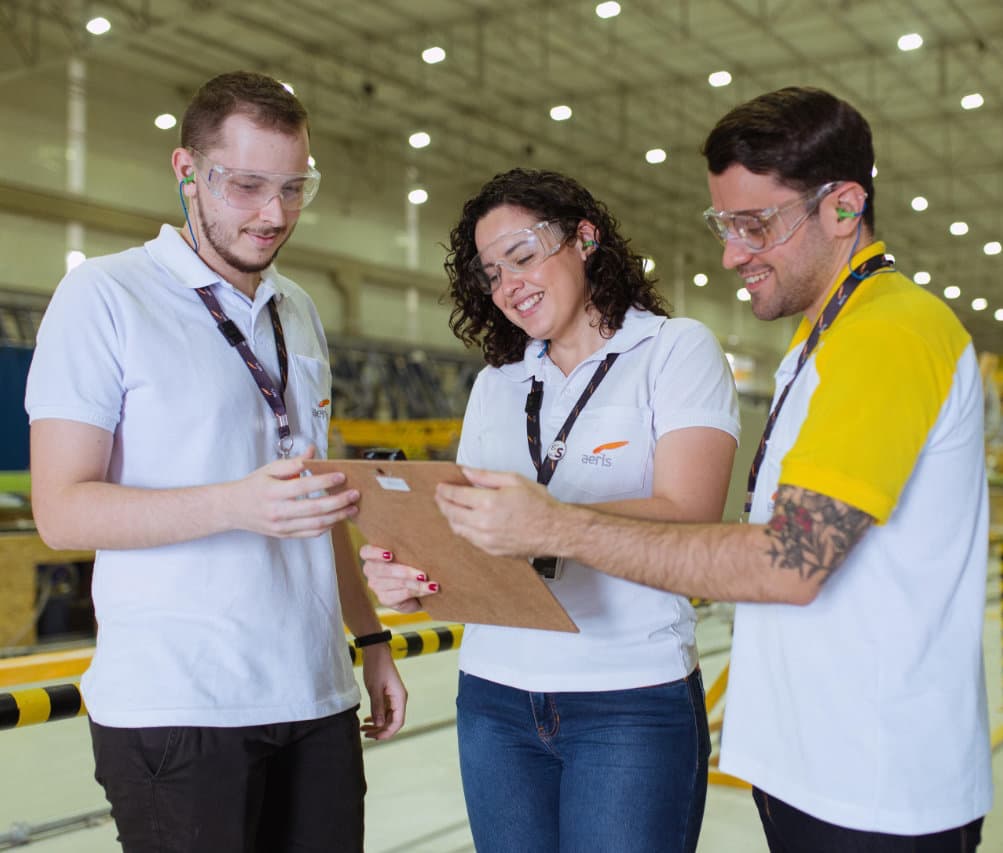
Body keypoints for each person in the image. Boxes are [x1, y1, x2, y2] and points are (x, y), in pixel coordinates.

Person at [432, 88, 994, 852]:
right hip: (819, 766)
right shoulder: (820, 343)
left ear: (842, 207)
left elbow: (791, 559)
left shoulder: (889, 334)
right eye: (723, 225)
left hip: (877, 780)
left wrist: (556, 525)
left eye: (754, 224)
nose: (731, 252)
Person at [25, 70, 406, 853]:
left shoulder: (297, 310)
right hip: (178, 709)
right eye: (246, 185)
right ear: (186, 170)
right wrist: (233, 504)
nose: (274, 214)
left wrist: (368, 642)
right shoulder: (104, 297)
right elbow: (62, 511)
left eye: (295, 188)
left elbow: (316, 500)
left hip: (315, 696)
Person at [362, 168, 740, 852]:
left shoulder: (672, 349)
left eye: (523, 255)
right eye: (490, 273)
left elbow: (691, 517)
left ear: (584, 238)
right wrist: (414, 578)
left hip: (628, 695)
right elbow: (472, 535)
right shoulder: (499, 383)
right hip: (493, 697)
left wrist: (546, 520)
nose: (509, 284)